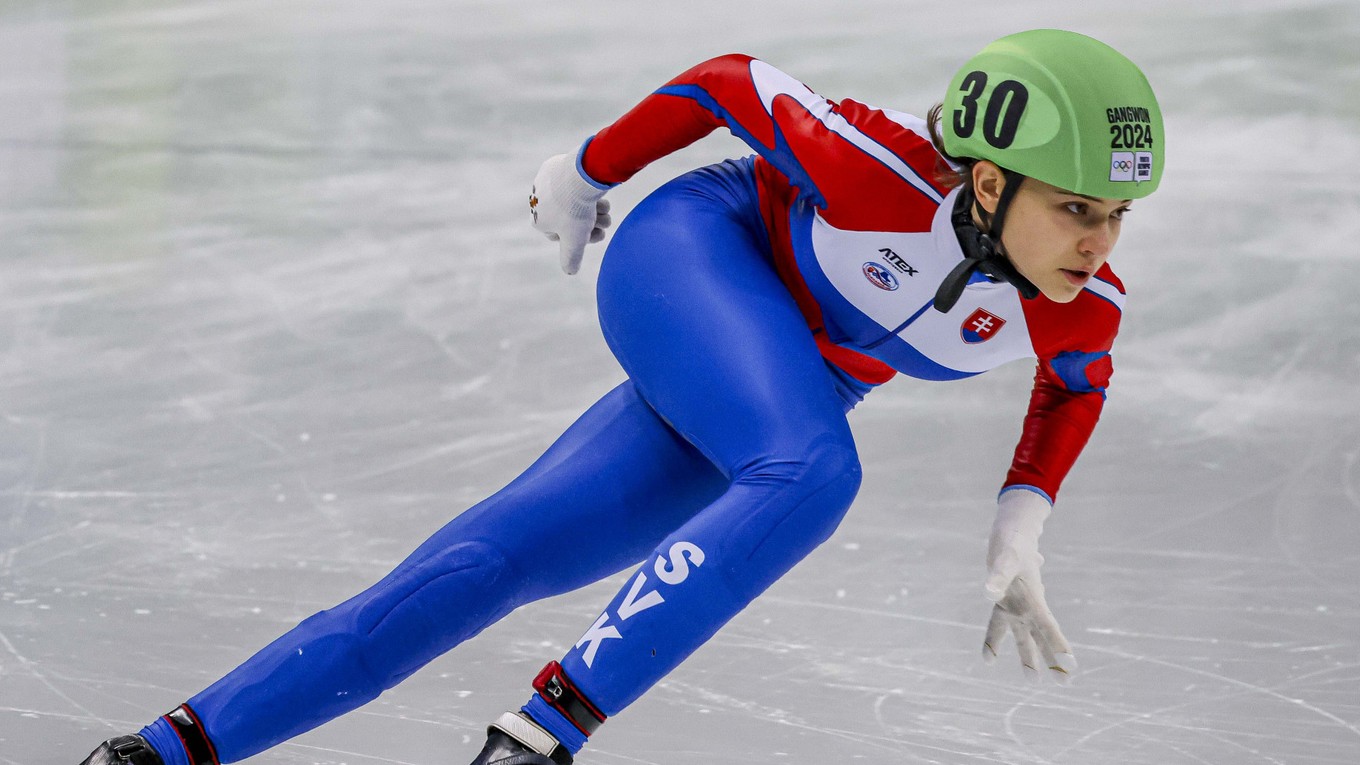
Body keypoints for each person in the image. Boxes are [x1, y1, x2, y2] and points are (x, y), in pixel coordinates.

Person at [80, 28, 1164, 765]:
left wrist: (1025, 512)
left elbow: (1073, 390)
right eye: (1077, 208)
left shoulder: (1082, 304)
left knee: (485, 565)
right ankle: (544, 734)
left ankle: (165, 747)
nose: (1099, 241)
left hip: (766, 392)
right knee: (814, 470)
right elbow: (731, 82)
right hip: (696, 259)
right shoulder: (879, 174)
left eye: (1117, 213)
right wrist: (587, 169)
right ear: (986, 181)